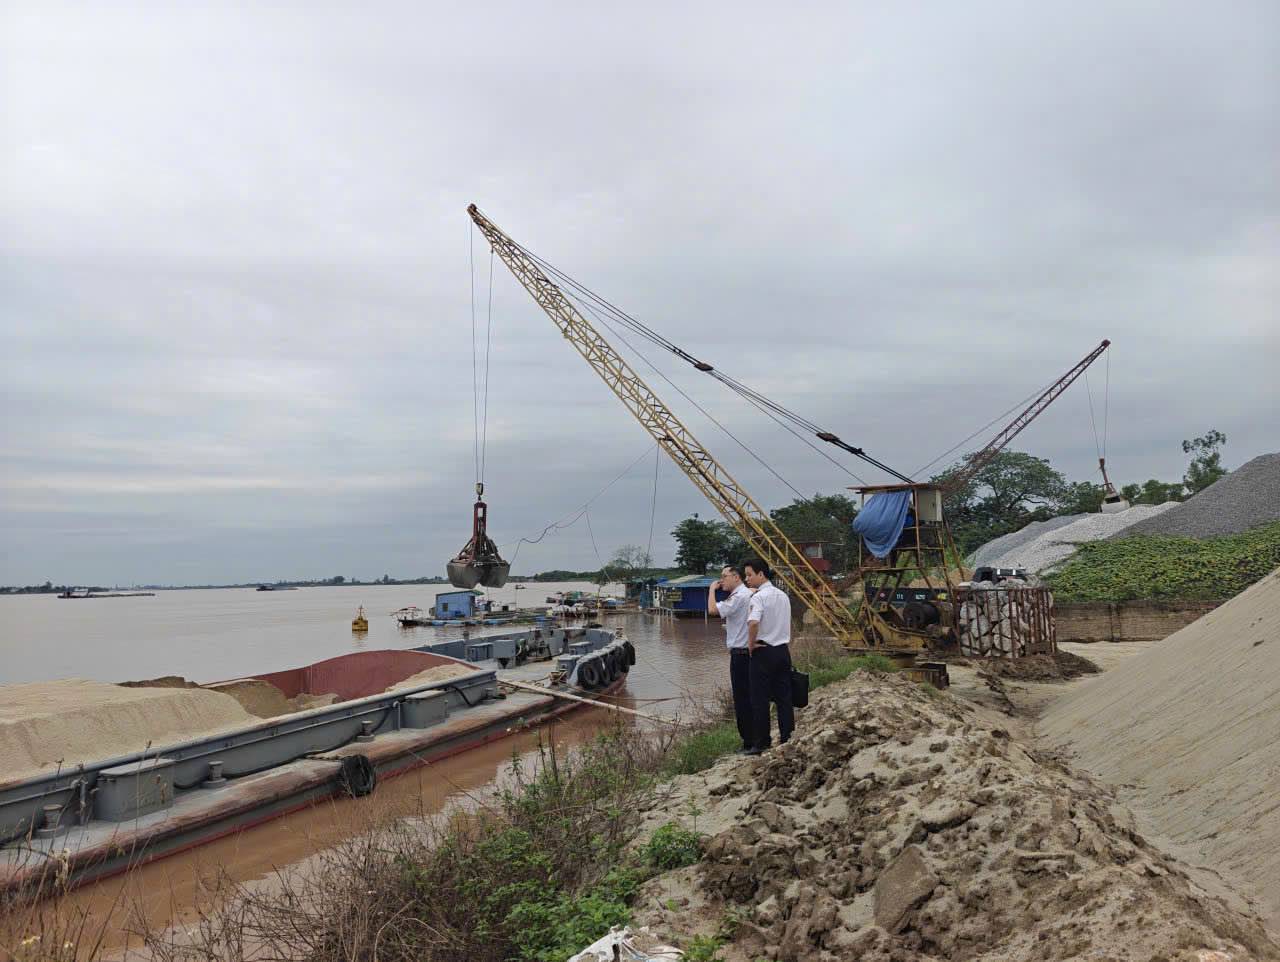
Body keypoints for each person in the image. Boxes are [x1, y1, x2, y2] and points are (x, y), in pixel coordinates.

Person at [743, 558, 793, 754]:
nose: (747, 579)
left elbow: (753, 622)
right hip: (782, 650)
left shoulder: (758, 597)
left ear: (761, 574)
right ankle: (787, 736)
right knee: (784, 698)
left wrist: (750, 645)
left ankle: (762, 742)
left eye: (749, 575)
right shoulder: (783, 596)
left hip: (763, 651)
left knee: (759, 699)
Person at [707, 564, 754, 754]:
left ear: (736, 577)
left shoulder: (739, 596)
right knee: (750, 698)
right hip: (746, 653)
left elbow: (712, 611)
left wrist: (711, 590)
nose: (721, 581)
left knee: (742, 700)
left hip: (741, 655)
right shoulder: (747, 594)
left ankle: (749, 742)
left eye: (724, 576)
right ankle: (753, 738)